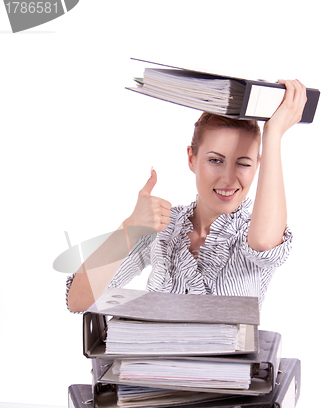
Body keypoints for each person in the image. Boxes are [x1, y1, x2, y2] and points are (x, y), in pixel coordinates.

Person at [66, 79, 307, 313]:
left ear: (258, 166)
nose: (228, 178)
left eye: (243, 164)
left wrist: (273, 133)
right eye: (215, 160)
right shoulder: (162, 226)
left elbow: (265, 244)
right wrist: (129, 227)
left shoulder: (255, 230)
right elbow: (79, 301)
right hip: (151, 354)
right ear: (192, 159)